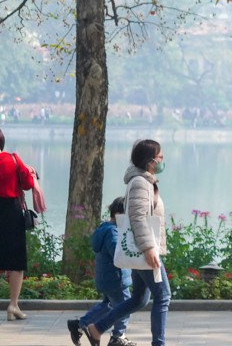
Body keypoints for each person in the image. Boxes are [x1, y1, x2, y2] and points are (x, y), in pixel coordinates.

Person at [84, 139, 171, 346]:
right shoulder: (140, 183)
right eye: (160, 157)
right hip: (145, 249)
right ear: (150, 161)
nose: (163, 161)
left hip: (142, 249)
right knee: (163, 296)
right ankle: (159, 343)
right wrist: (149, 248)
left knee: (139, 298)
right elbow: (138, 217)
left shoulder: (145, 180)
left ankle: (97, 328)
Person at [69, 198, 136, 346]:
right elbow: (117, 253)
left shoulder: (104, 228)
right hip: (115, 279)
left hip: (106, 278)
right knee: (125, 305)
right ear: (119, 214)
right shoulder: (113, 232)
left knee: (108, 305)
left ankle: (80, 324)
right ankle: (118, 336)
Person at [0, 128, 46, 321]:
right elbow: (27, 183)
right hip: (11, 211)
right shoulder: (13, 159)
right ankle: (13, 305)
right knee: (16, 260)